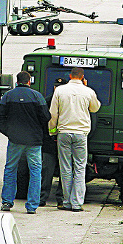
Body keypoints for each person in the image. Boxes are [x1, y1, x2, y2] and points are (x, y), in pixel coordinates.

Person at [0, 70, 51, 214]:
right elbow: (46, 117)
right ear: (29, 81)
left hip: (15, 140)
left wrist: (9, 132)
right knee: (35, 172)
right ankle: (32, 205)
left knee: (10, 169)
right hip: (34, 142)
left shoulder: (8, 96)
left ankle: (7, 202)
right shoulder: (37, 96)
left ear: (17, 82)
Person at [49, 67, 101, 212]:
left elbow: (53, 113)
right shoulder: (88, 91)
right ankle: (77, 203)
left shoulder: (59, 91)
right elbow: (95, 108)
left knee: (65, 168)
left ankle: (66, 201)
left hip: (64, 133)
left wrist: (52, 130)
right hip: (80, 134)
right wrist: (85, 86)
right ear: (82, 77)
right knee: (79, 168)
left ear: (70, 76)